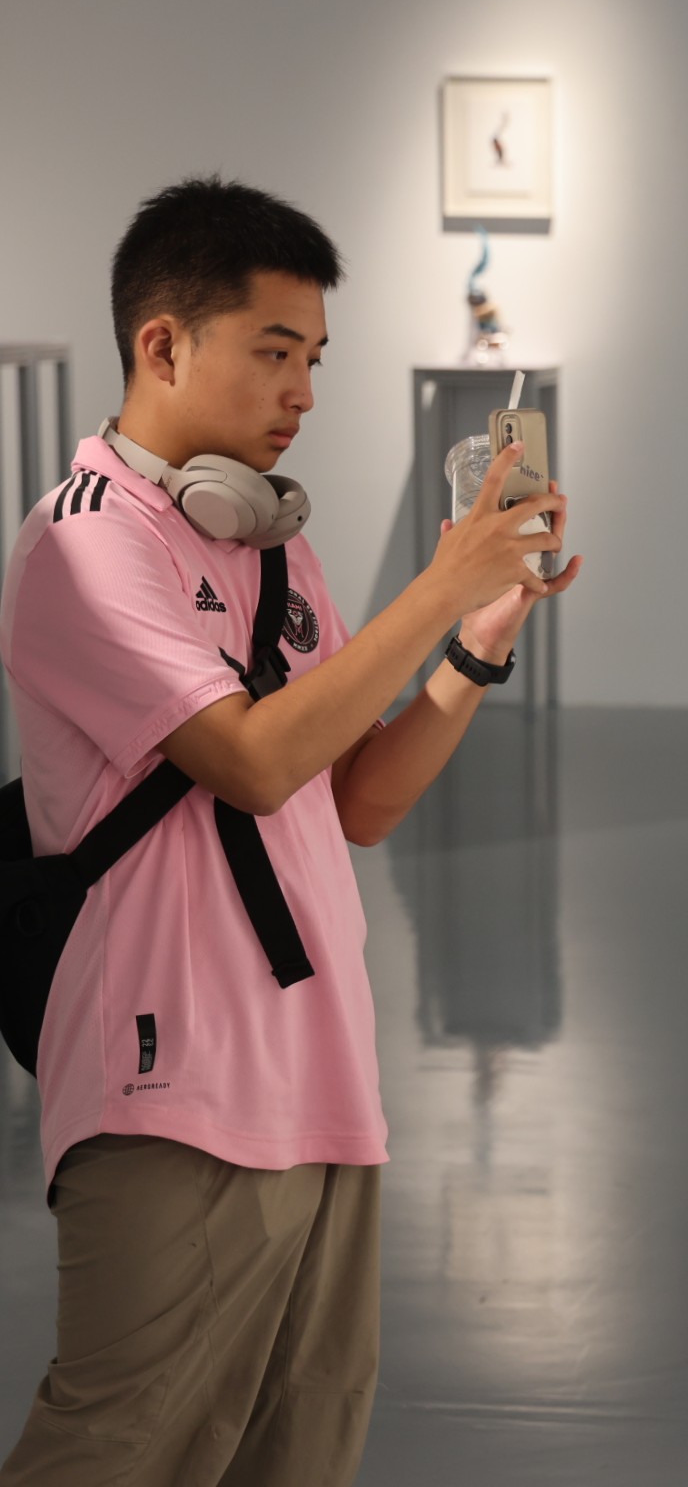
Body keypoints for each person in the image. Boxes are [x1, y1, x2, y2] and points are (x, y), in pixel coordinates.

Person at [0, 176, 580, 1486]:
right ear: (162, 344)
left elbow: (355, 800)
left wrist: (473, 643)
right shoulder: (84, 545)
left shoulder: (272, 545)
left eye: (314, 358)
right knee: (117, 1448)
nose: (304, 391)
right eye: (274, 352)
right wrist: (436, 583)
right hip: (170, 1085)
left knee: (298, 1447)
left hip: (320, 1076)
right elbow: (253, 764)